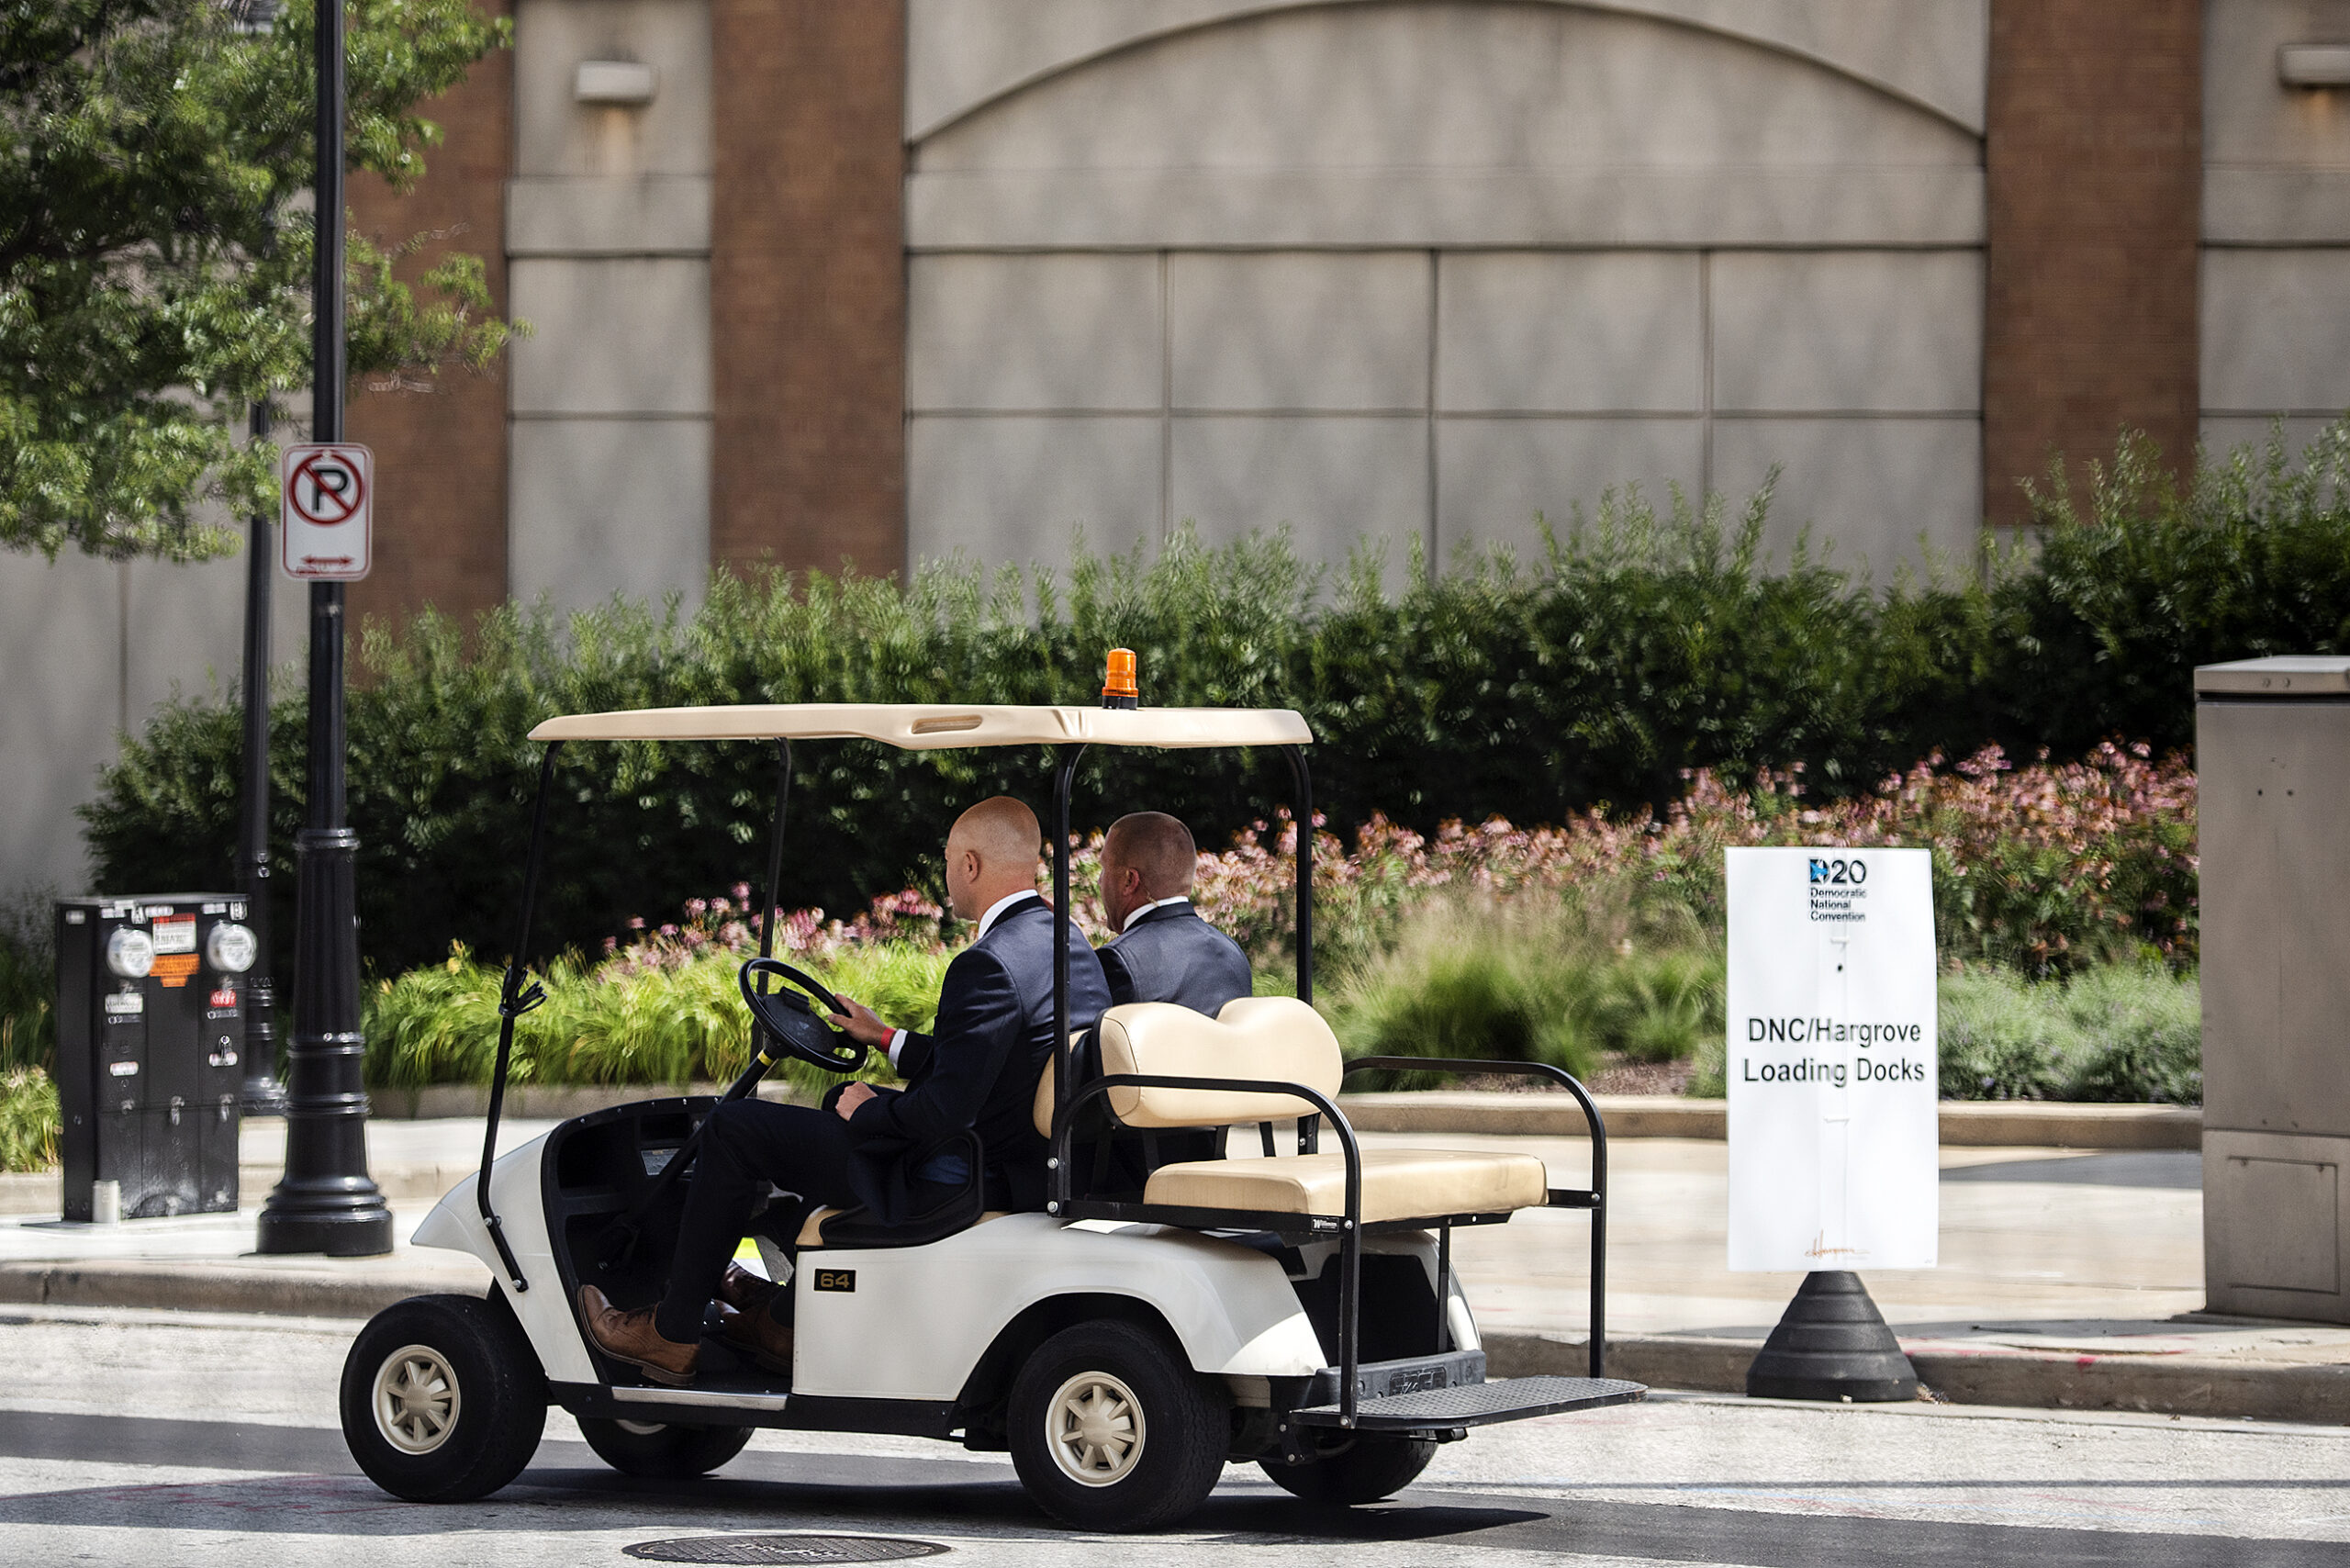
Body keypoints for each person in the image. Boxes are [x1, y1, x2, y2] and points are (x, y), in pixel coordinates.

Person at [580, 796, 1113, 1385]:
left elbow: (943, 1109)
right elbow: (994, 1063)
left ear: (969, 865)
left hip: (955, 1177)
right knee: (828, 1113)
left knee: (736, 1129)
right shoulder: (1066, 942)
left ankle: (671, 1334)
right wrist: (884, 1037)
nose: (945, 877)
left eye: (945, 862)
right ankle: (782, 1316)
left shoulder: (987, 962)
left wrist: (869, 1113)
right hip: (1024, 1164)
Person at [1074, 812, 1255, 1194]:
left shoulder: (1120, 961)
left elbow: (1090, 1077)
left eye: (1104, 869)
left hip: (1131, 1170)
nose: (1099, 881)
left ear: (1129, 880)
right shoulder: (1230, 954)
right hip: (1208, 1153)